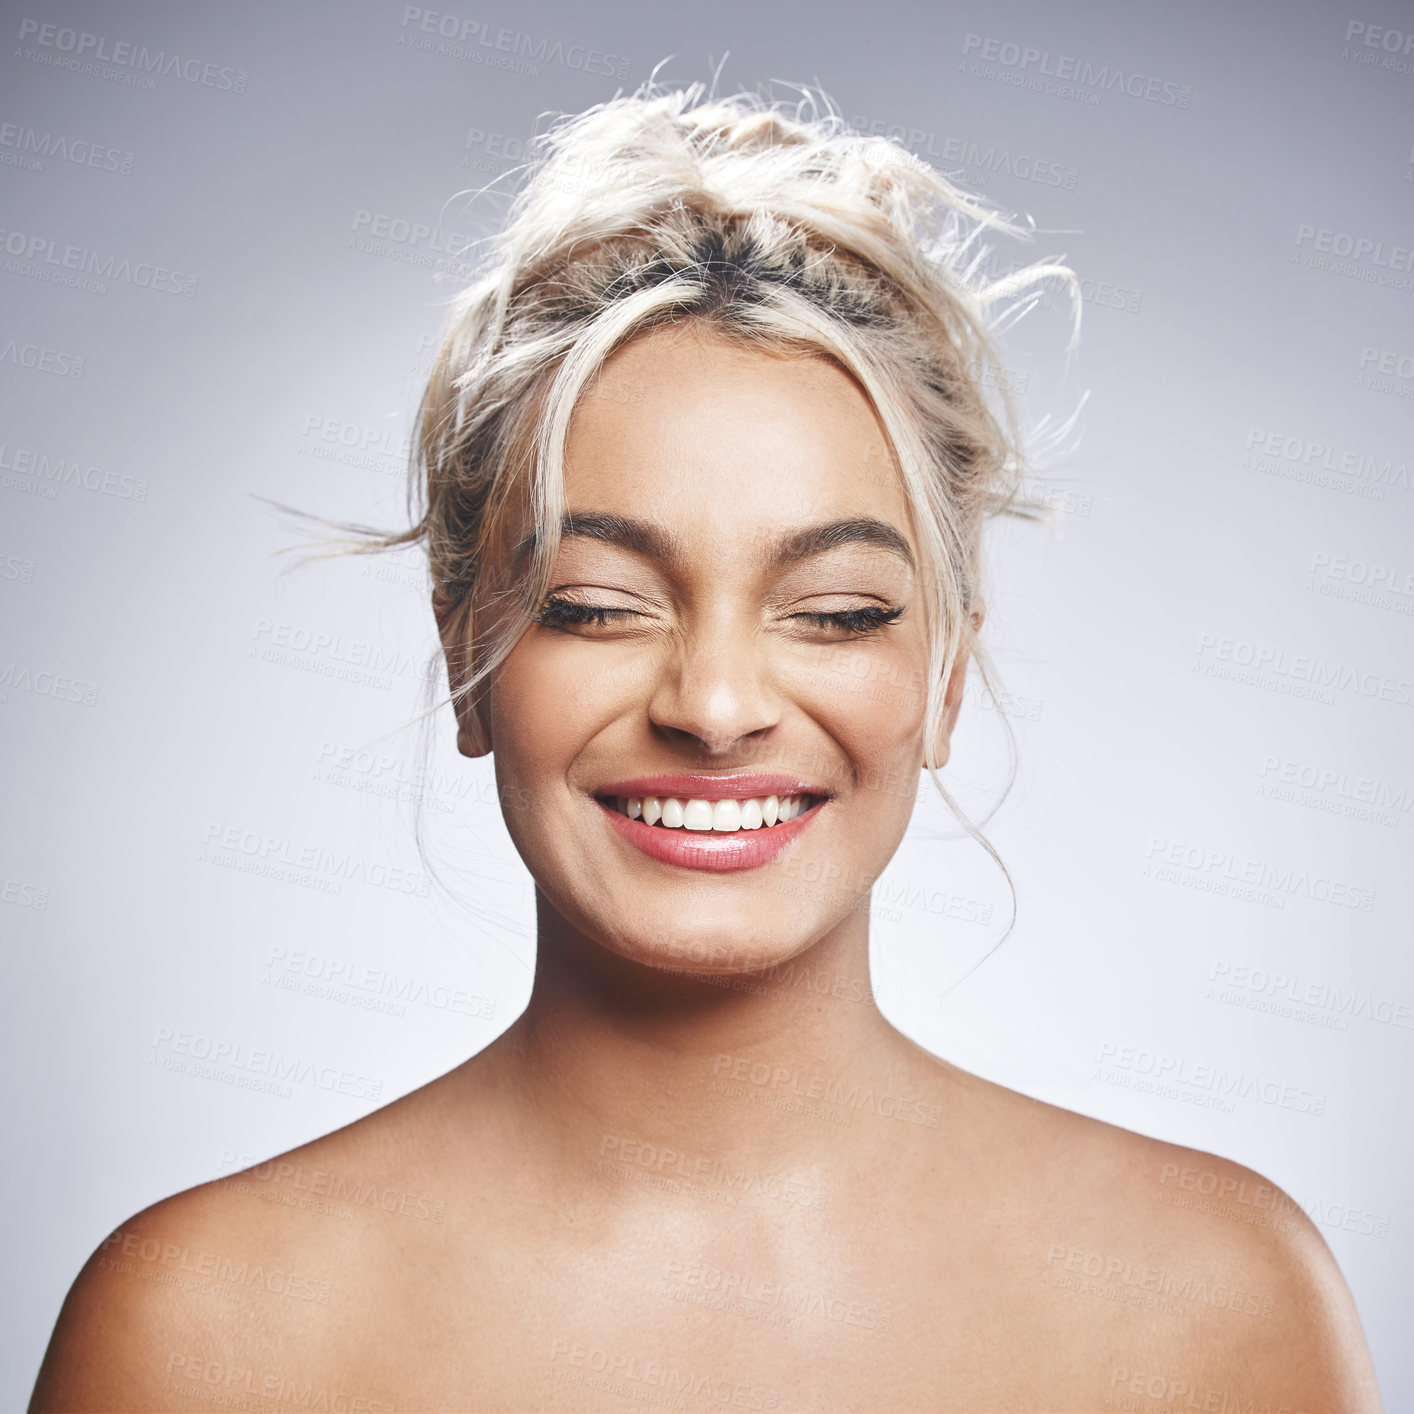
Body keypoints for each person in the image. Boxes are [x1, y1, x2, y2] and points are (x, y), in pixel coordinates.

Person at [30, 83, 1381, 1413]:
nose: (717, 703)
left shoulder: (1213, 1304)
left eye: (836, 613)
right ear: (466, 654)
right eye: (597, 607)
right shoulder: (209, 1327)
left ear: (948, 669)